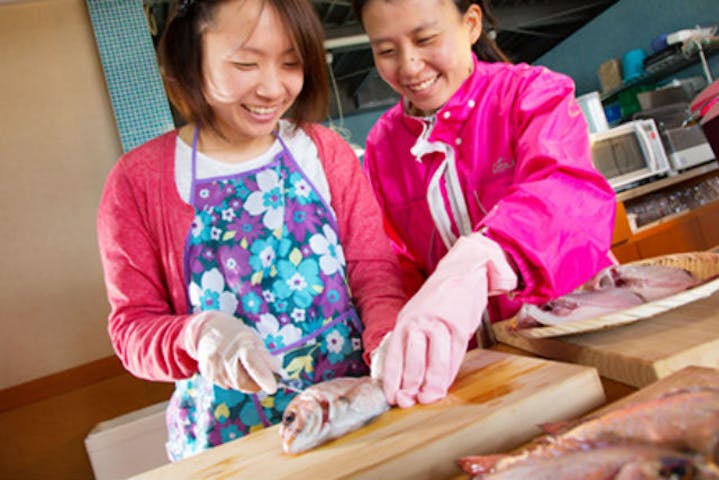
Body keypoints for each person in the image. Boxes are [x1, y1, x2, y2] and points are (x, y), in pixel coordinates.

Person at [96, 0, 405, 461]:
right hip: (230, 446)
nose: (273, 88)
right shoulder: (139, 180)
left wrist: (386, 344)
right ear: (190, 57)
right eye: (245, 63)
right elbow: (131, 329)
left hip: (348, 411)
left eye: (291, 63)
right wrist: (199, 335)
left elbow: (375, 273)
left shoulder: (323, 151)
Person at [354, 0, 617, 409]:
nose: (408, 66)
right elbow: (392, 264)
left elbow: (566, 193)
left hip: (579, 340)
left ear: (471, 24)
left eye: (425, 39)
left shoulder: (531, 93)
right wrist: (391, 335)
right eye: (386, 51)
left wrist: (481, 258)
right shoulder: (383, 147)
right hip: (482, 373)